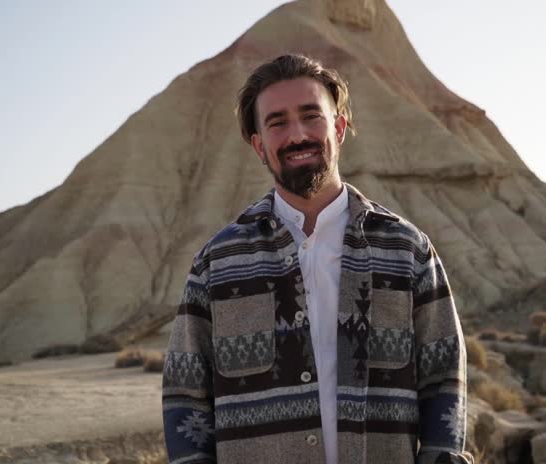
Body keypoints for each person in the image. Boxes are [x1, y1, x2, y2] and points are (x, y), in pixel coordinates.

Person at [162, 54, 473, 464]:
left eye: (311, 116)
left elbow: (444, 379)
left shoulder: (406, 251)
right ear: (259, 145)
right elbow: (186, 392)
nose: (297, 135)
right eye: (277, 123)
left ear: (339, 128)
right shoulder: (217, 264)